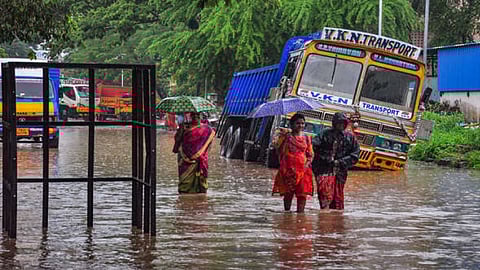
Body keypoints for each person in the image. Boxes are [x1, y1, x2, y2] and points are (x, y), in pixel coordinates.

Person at [312, 112, 360, 210]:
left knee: (338, 197)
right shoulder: (325, 134)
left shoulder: (350, 138)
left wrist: (340, 162)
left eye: (343, 123)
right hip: (323, 170)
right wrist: (326, 158)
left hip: (340, 172)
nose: (340, 126)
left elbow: (355, 156)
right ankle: (324, 218)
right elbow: (313, 146)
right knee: (324, 195)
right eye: (338, 123)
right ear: (334, 123)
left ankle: (335, 219)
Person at [272, 113, 313, 213]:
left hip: (303, 171)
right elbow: (277, 149)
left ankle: (300, 217)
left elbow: (310, 154)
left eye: (302, 123)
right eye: (297, 123)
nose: (300, 126)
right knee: (288, 194)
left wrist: (306, 165)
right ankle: (287, 215)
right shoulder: (286, 137)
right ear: (292, 124)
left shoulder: (307, 138)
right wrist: (280, 136)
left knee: (302, 195)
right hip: (288, 171)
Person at [173, 112, 215, 193]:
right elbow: (177, 140)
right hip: (185, 158)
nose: (196, 117)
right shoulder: (185, 128)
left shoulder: (206, 129)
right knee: (185, 183)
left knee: (200, 183)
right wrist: (181, 129)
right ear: (191, 117)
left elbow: (208, 144)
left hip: (200, 159)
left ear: (200, 116)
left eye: (197, 115)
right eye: (194, 116)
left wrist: (203, 153)